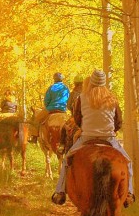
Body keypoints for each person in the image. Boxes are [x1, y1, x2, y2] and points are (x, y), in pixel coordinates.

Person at [51, 68, 134, 207]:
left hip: (87, 137)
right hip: (109, 138)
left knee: (67, 160)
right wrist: (110, 130)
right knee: (128, 162)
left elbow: (77, 119)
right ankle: (129, 193)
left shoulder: (81, 98)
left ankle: (60, 192)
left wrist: (86, 127)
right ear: (104, 83)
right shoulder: (112, 98)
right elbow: (118, 122)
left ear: (91, 83)